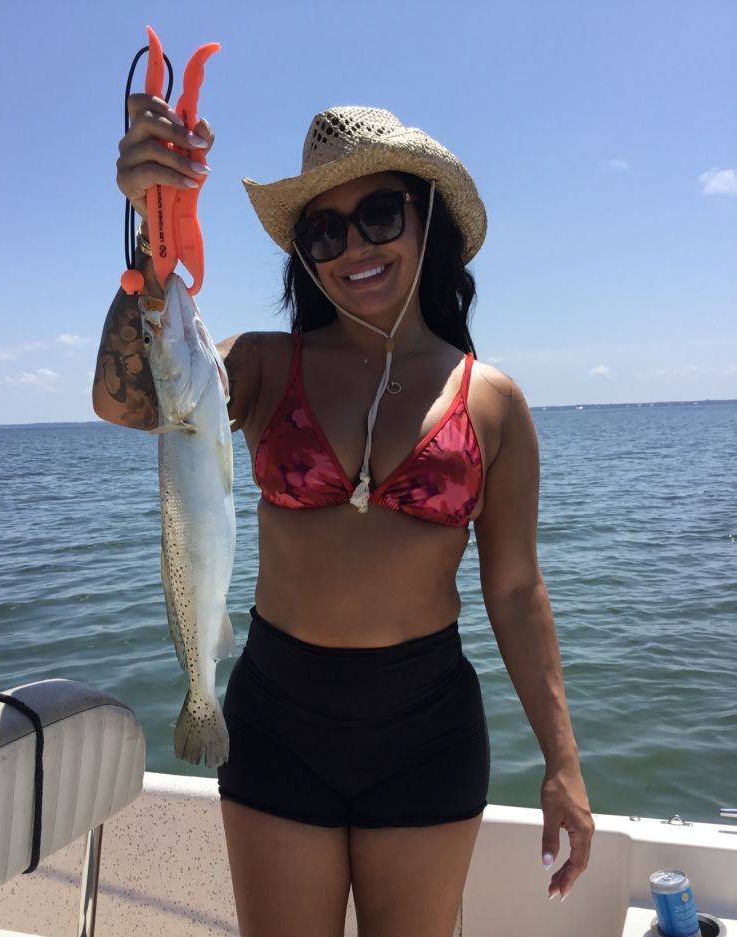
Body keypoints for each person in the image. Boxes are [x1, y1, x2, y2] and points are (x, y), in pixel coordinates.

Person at [96, 100, 594, 937]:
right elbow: (127, 402)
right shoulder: (261, 365)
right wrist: (151, 233)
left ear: (425, 219)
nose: (354, 246)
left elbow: (514, 589)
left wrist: (563, 762)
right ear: (306, 253)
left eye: (379, 215)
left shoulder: (492, 401)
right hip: (276, 722)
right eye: (325, 231)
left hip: (428, 733)